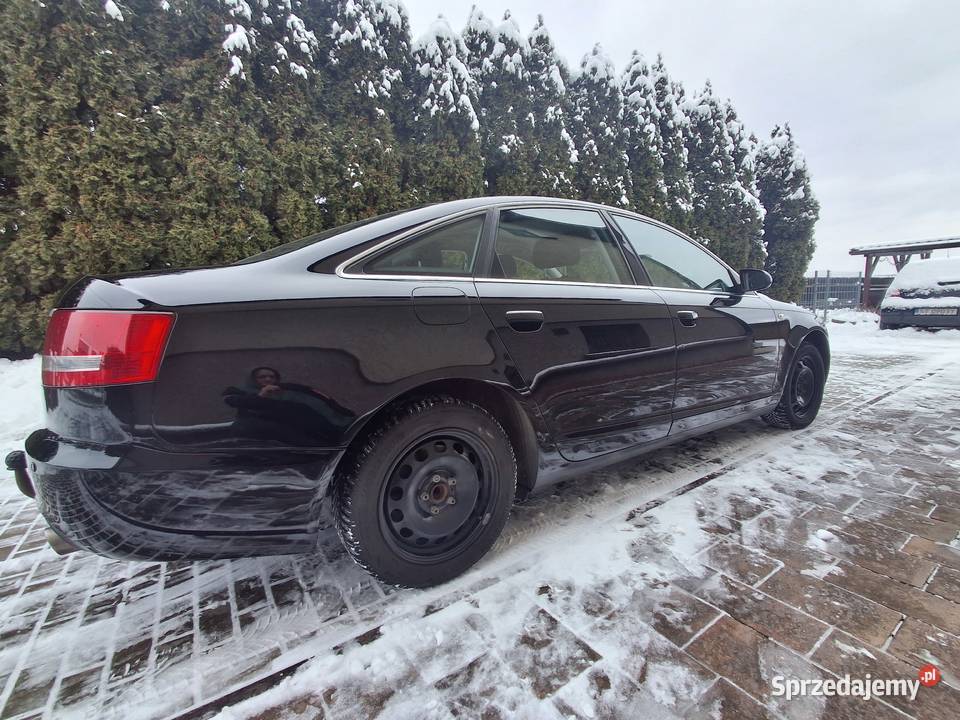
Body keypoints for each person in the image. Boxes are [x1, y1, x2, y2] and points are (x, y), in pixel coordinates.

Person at [222, 366, 355, 445]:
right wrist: (261, 396)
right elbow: (233, 401)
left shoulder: (289, 390)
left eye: (272, 376)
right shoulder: (239, 392)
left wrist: (342, 411)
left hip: (304, 433)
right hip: (257, 434)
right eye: (262, 377)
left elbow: (319, 398)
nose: (268, 379)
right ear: (253, 379)